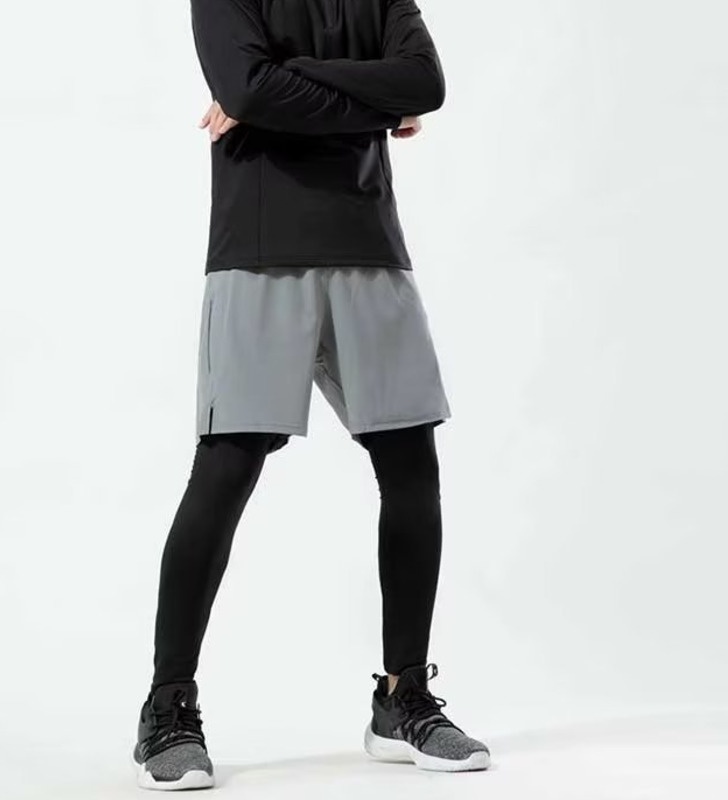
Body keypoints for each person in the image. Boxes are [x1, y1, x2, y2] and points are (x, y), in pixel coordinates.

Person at [131, 0, 491, 789]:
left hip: (370, 245)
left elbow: (424, 83)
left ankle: (403, 698)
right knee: (226, 468)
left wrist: (286, 81)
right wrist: (371, 102)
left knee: (411, 469)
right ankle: (167, 707)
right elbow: (248, 90)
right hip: (259, 249)